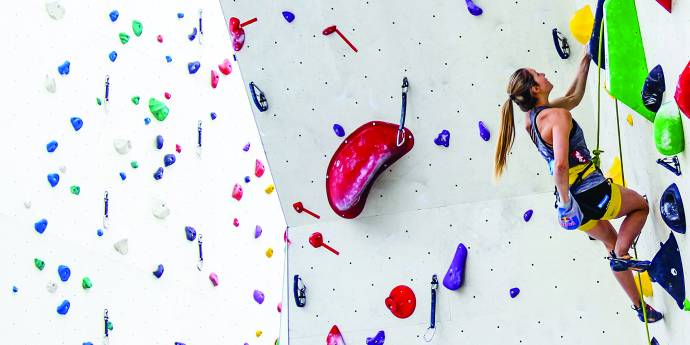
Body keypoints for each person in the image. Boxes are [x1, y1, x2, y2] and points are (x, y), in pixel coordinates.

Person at [493, 50, 663, 323]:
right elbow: (560, 165)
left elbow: (573, 98)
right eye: (539, 74)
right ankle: (622, 255)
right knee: (640, 207)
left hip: (574, 207)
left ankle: (640, 307)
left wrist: (585, 61)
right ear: (536, 88)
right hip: (587, 193)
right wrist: (566, 201)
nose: (544, 74)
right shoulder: (558, 117)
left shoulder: (532, 122)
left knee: (609, 241)